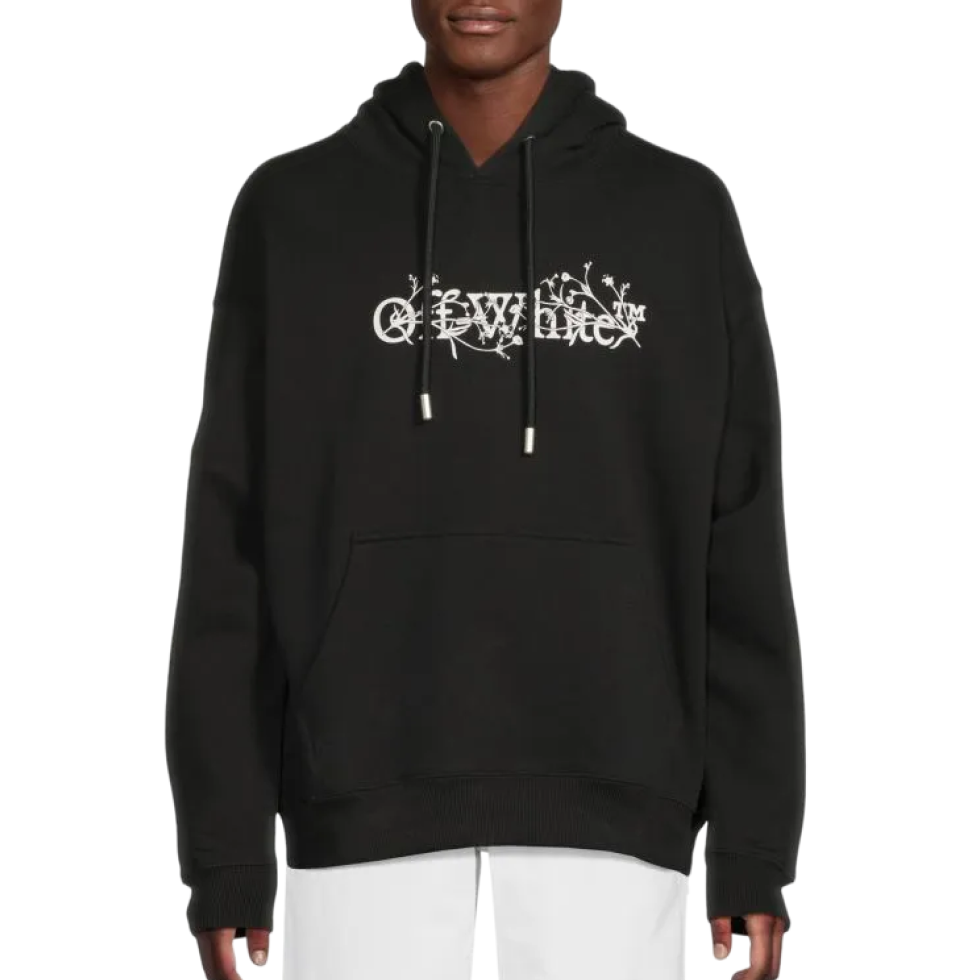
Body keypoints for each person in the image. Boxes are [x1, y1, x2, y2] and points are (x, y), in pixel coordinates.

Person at [164, 1, 806, 977]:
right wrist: (224, 849)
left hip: (617, 776)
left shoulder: (678, 212)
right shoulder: (292, 209)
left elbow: (739, 532)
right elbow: (231, 536)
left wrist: (753, 844)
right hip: (359, 777)